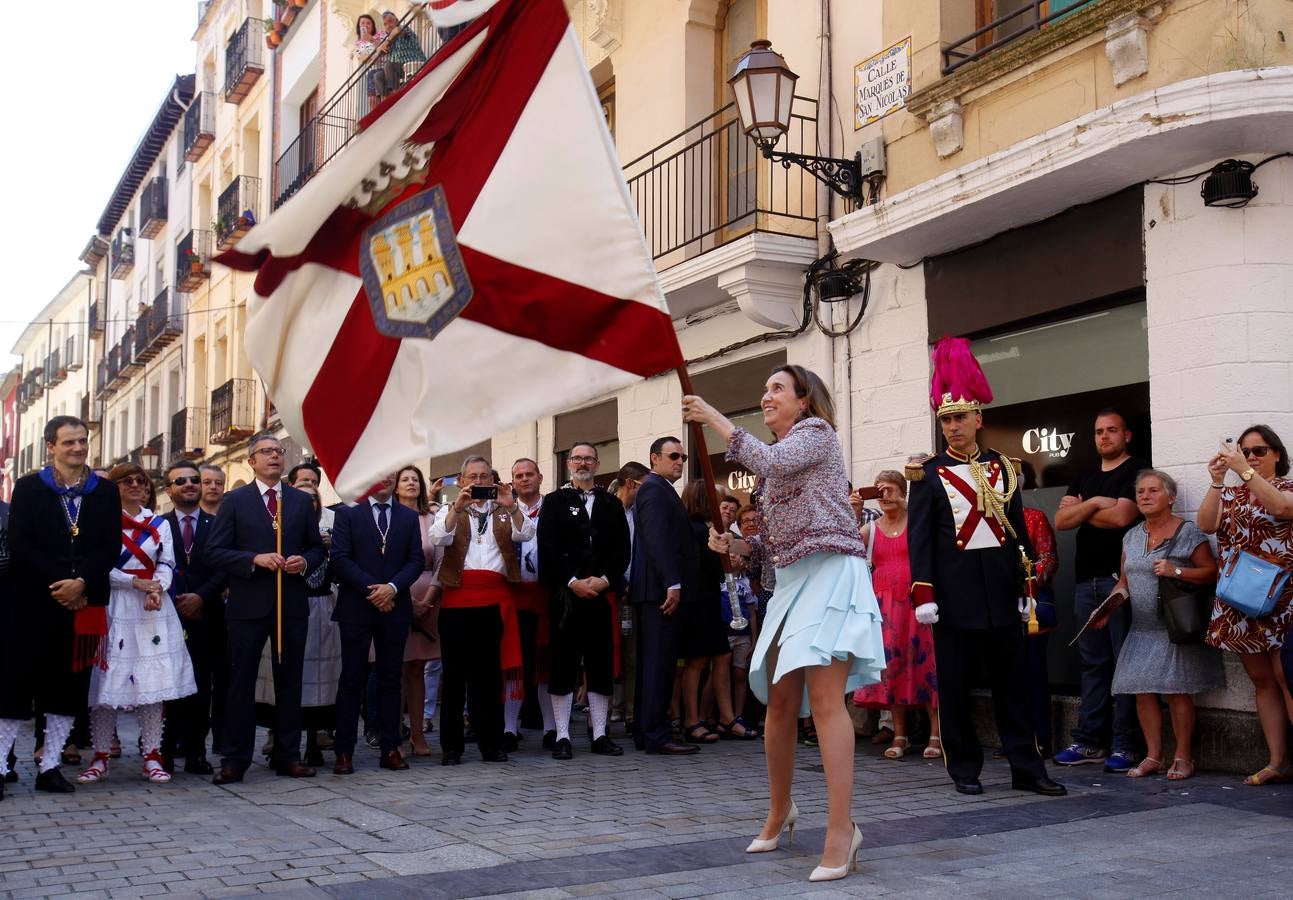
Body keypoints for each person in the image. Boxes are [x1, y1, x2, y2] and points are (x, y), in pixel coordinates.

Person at [684, 365, 885, 883]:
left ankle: (841, 830)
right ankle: (780, 810)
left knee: (826, 700)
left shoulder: (816, 434)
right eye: (765, 388)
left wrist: (711, 417)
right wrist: (735, 544)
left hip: (831, 574)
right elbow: (768, 548)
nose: (766, 396)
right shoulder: (775, 468)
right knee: (778, 702)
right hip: (792, 583)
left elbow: (770, 459)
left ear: (805, 401)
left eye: (777, 388)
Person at [905, 337, 1066, 799]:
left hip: (1000, 593)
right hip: (953, 599)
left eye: (961, 417)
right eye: (946, 419)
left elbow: (1019, 536)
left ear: (979, 418)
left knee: (1014, 686)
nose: (953, 426)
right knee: (956, 687)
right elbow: (920, 540)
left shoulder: (1005, 468)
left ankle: (1027, 767)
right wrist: (924, 593)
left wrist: (1025, 589)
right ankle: (964, 766)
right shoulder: (927, 474)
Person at [0, 417, 121, 796]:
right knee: (15, 685)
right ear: (51, 446)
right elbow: (21, 545)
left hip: (84, 603)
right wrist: (61, 584)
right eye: (69, 442)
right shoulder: (29, 488)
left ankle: (50, 766)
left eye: (82, 441)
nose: (78, 448)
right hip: (33, 602)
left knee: (68, 686)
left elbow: (110, 546)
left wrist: (81, 582)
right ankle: (0, 766)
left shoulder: (105, 491)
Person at [205, 433, 326, 783]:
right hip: (248, 605)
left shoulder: (300, 501)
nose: (274, 456)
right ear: (251, 461)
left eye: (279, 451)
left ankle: (287, 755)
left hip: (291, 603)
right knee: (240, 682)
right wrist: (252, 559)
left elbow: (317, 548)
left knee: (290, 681)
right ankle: (234, 759)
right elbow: (215, 551)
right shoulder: (235, 501)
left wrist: (304, 561)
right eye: (266, 451)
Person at [1089, 470, 1222, 781]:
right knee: (1142, 691)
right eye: (1140, 492)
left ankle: (1183, 757)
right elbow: (1124, 582)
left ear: (1171, 498)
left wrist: (1177, 571)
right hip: (1142, 628)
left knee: (1177, 692)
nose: (1145, 496)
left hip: (1174, 628)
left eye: (1153, 491)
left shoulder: (1188, 532)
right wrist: (1108, 606)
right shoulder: (1131, 536)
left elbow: (1211, 572)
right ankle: (1153, 756)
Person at [77, 464, 197, 785]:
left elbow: (167, 562)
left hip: (151, 608)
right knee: (106, 682)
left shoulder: (159, 523)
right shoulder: (100, 522)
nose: (135, 485)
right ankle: (100, 756)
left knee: (151, 683)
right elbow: (96, 567)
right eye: (126, 481)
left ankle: (152, 755)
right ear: (114, 487)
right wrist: (134, 583)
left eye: (140, 481)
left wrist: (157, 587)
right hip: (114, 604)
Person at [1053, 409, 1147, 772]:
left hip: (1119, 581)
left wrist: (1081, 507)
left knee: (1125, 663)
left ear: (1127, 435)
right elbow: (1062, 521)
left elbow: (1123, 516)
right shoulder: (1085, 475)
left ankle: (1126, 745)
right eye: (1098, 432)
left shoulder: (1136, 470)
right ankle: (1090, 741)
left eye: (1111, 430)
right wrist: (1095, 503)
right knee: (1093, 664)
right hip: (1085, 581)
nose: (1104, 436)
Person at [1199, 425, 1293, 785]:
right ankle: (1277, 761)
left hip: (1282, 598)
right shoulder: (1232, 494)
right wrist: (1217, 481)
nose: (1251, 457)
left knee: (1287, 676)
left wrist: (1245, 471)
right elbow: (1206, 523)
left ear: (1277, 454)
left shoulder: (1286, 489)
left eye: (1259, 451)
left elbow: (1280, 507)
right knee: (1262, 680)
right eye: (1245, 451)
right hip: (1240, 599)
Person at [428, 455, 535, 764]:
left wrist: (511, 506)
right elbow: (438, 537)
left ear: (493, 480)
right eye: (472, 476)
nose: (478, 481)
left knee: (488, 678)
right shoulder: (450, 510)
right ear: (462, 481)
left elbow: (527, 533)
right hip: (457, 601)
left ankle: (491, 744)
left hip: (493, 602)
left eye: (484, 476)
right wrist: (457, 508)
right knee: (454, 678)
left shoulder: (504, 510)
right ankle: (452, 747)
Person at [537, 443, 631, 759]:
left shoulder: (611, 503)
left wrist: (604, 580)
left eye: (588, 458)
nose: (582, 463)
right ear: (569, 464)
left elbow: (622, 549)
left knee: (600, 663)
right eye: (576, 458)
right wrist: (572, 582)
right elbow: (547, 548)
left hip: (600, 595)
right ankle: (563, 736)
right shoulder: (554, 502)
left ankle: (600, 734)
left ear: (597, 464)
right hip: (566, 596)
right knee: (563, 663)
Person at [331, 474, 426, 773]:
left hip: (394, 607)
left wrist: (392, 588)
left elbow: (415, 560)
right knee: (352, 679)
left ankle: (390, 748)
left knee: (390, 679)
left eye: (391, 473)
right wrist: (374, 590)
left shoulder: (407, 517)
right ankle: (344, 751)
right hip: (356, 607)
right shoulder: (348, 512)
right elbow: (340, 559)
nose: (386, 478)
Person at [852, 471, 940, 761]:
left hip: (916, 603)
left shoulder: (916, 522)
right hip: (885, 608)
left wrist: (907, 506)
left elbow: (936, 539)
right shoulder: (872, 529)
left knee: (927, 667)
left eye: (890, 489)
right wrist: (854, 514)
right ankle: (899, 733)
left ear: (903, 492)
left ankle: (936, 733)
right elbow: (847, 550)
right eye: (880, 490)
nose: (885, 495)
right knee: (892, 668)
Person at [629, 438, 700, 757]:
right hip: (660, 591)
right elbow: (657, 539)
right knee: (658, 664)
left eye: (682, 456)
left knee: (654, 663)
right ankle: (655, 734)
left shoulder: (659, 489)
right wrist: (672, 582)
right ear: (654, 458)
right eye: (673, 456)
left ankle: (647, 731)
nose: (680, 461)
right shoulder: (655, 489)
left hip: (657, 589)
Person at [160, 460, 227, 775]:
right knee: (169, 685)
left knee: (202, 685)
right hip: (166, 615)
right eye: (180, 481)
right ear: (168, 490)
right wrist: (176, 600)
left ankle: (196, 752)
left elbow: (226, 567)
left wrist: (201, 596)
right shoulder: (159, 526)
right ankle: (164, 751)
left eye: (194, 480)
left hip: (207, 616)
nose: (189, 484)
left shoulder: (218, 525)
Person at [677, 481, 757, 744]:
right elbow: (707, 565)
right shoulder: (696, 529)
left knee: (722, 656)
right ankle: (692, 720)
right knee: (697, 661)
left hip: (709, 600)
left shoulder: (706, 528)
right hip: (699, 601)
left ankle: (726, 716)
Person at [391, 466, 441, 757]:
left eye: (415, 479)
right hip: (396, 596)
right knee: (394, 668)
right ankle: (394, 733)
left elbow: (442, 562)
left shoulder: (432, 518)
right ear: (396, 486)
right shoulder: (388, 517)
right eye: (405, 479)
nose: (411, 483)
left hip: (429, 598)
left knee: (417, 669)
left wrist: (428, 599)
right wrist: (405, 598)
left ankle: (418, 733)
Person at [510, 457, 554, 749]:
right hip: (513, 595)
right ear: (513, 482)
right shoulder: (503, 511)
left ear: (540, 477)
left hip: (546, 594)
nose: (524, 479)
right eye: (519, 475)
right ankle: (508, 728)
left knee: (545, 664)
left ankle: (551, 729)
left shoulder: (554, 508)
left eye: (529, 474)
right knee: (512, 664)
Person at [610, 462, 648, 734]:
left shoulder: (641, 513)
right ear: (631, 484)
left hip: (635, 592)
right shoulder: (606, 510)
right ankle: (610, 708)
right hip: (610, 591)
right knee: (609, 654)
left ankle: (631, 713)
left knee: (633, 656)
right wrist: (618, 583)